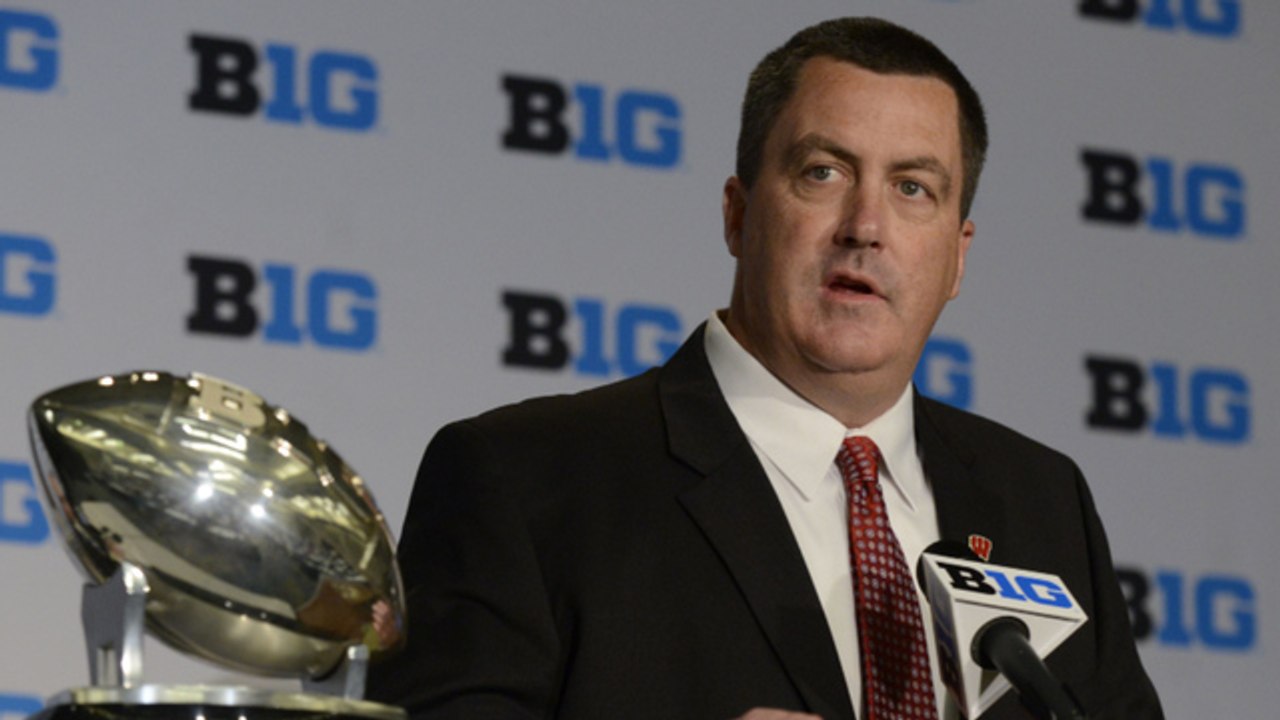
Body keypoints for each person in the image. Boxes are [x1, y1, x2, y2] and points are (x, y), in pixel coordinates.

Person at [367, 17, 1164, 720]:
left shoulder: (1041, 502)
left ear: (957, 257)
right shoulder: (526, 478)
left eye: (913, 188)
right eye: (823, 172)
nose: (866, 226)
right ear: (738, 214)